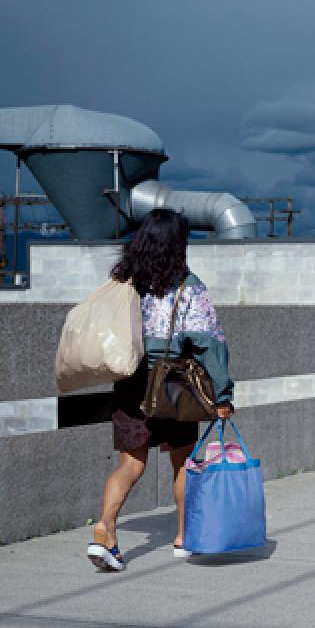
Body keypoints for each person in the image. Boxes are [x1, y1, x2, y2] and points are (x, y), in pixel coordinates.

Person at [87, 208, 235, 572]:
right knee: (183, 461)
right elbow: (208, 345)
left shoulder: (123, 282)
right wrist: (222, 394)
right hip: (173, 385)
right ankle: (185, 537)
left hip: (130, 380)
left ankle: (105, 527)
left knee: (130, 464)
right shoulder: (189, 287)